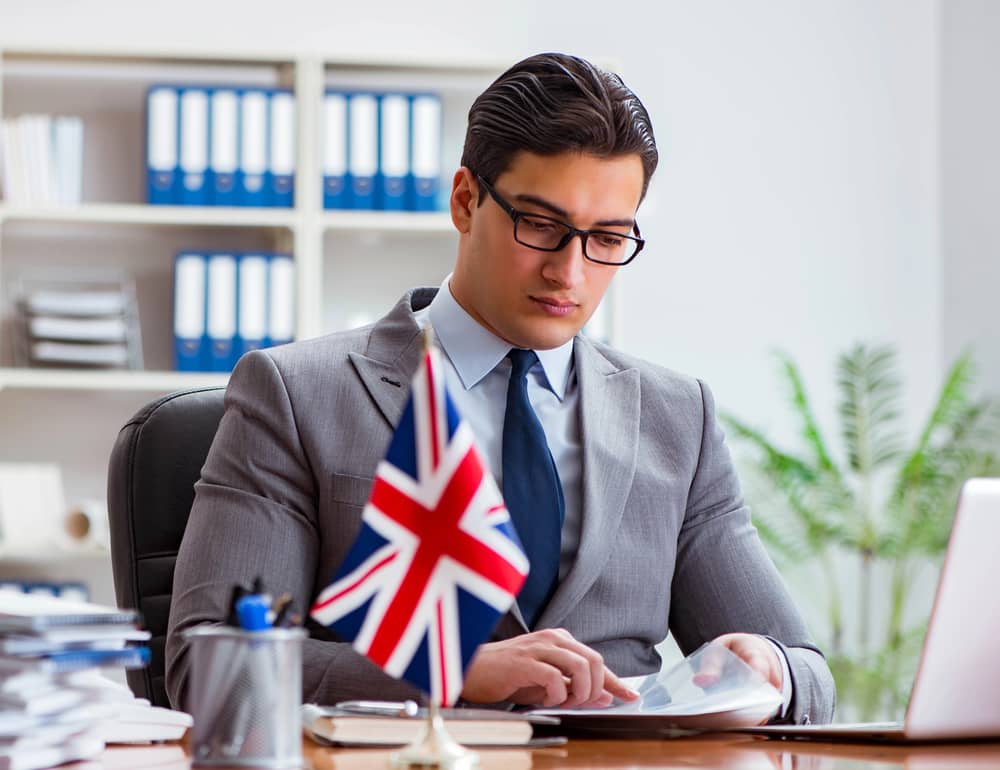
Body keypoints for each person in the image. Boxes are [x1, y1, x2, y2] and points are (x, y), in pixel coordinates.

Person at [166, 52, 835, 724]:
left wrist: (769, 666)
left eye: (606, 238)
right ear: (465, 201)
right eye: (541, 226)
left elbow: (808, 676)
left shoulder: (676, 417)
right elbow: (208, 665)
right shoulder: (297, 393)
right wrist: (453, 673)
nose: (569, 272)